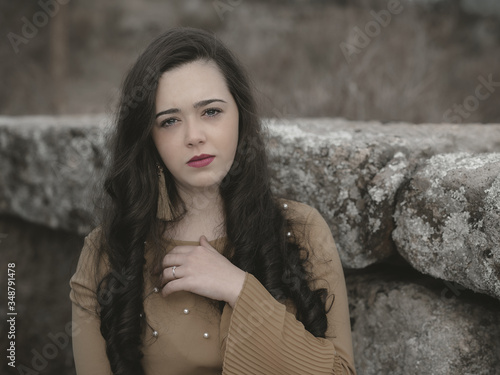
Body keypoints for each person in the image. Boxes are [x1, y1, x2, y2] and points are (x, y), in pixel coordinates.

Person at [69, 26, 356, 375]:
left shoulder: (301, 229)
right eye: (170, 121)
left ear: (240, 115)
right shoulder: (107, 251)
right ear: (148, 138)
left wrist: (237, 288)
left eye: (211, 112)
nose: (194, 137)